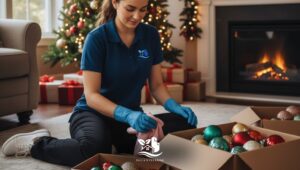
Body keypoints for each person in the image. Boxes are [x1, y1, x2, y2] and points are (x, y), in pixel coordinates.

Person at [1, 0, 197, 166]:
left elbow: (156, 86)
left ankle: (116, 143)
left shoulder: (150, 35)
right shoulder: (97, 38)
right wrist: (128, 114)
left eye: (143, 9)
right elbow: (92, 96)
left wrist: (175, 106)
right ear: (115, 2)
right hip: (91, 113)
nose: (137, 16)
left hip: (128, 122)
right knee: (93, 151)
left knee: (183, 123)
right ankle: (37, 143)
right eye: (130, 8)